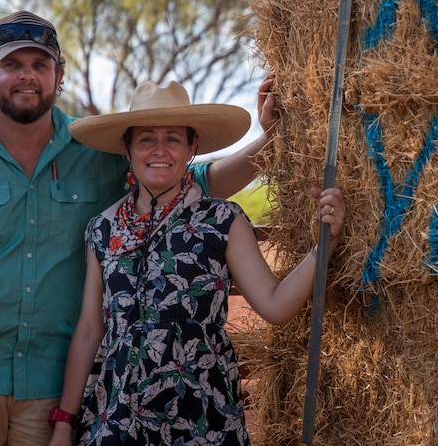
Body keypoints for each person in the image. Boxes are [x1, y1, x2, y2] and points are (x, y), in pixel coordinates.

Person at [0, 11, 277, 446]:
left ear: (59, 75)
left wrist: (271, 138)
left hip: (53, 391)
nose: (27, 77)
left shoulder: (96, 157)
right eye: (12, 65)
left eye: (40, 65)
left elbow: (197, 181)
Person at [45, 80, 344, 446]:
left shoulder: (222, 221)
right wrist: (63, 424)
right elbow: (90, 330)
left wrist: (323, 246)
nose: (159, 150)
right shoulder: (102, 229)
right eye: (146, 139)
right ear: (127, 149)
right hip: (119, 415)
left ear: (192, 147)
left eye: (172, 138)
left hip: (202, 414)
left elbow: (277, 304)